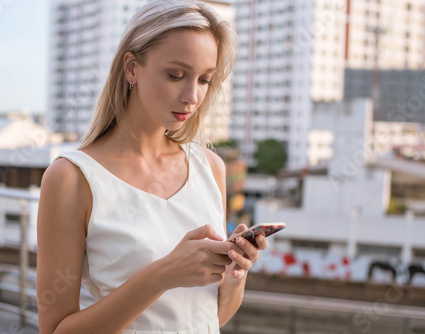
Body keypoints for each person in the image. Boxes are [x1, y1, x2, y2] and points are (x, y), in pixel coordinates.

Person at [36, 1, 268, 333]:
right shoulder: (72, 178)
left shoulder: (210, 168)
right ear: (131, 67)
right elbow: (55, 330)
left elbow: (207, 319)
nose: (191, 95)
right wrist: (163, 274)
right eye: (176, 75)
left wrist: (235, 275)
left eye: (204, 80)